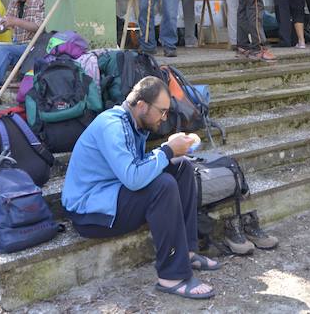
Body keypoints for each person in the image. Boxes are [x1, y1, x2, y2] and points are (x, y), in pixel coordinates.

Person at [61, 77, 219, 300]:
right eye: (162, 111)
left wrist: (171, 153)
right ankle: (171, 276)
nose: (164, 118)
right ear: (142, 105)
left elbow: (135, 168)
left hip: (113, 194)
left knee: (181, 167)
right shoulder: (112, 126)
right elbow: (133, 178)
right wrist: (166, 151)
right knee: (163, 186)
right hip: (89, 211)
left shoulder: (133, 122)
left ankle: (187, 252)